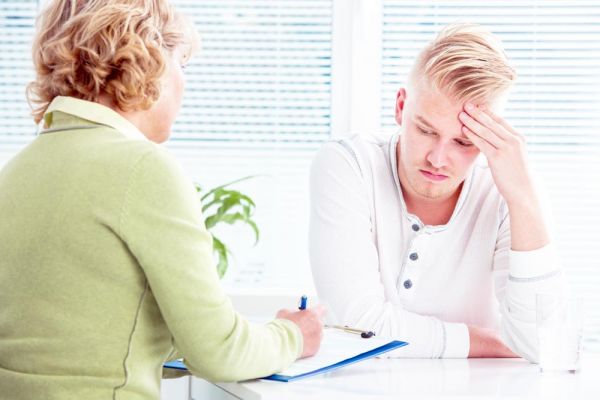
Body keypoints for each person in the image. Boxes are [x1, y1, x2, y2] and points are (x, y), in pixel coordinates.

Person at [0, 1, 324, 398]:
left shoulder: (18, 170)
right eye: (182, 65)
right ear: (147, 61)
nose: (185, 84)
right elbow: (220, 353)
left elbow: (81, 343)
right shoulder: (141, 168)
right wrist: (293, 334)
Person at [309, 23, 567, 361]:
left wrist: (524, 199)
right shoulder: (349, 164)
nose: (438, 158)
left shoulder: (508, 191)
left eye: (463, 141)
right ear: (401, 106)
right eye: (426, 129)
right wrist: (495, 343)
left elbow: (541, 343)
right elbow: (358, 327)